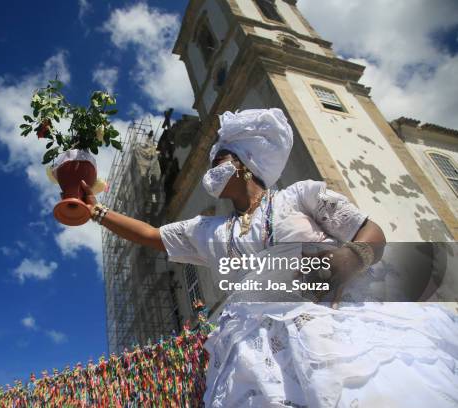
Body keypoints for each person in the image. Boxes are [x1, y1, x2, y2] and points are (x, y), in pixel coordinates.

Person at [80, 108, 458, 407]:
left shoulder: (300, 197)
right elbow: (151, 235)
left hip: (331, 326)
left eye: (220, 159)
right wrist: (96, 212)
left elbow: (371, 231)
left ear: (244, 163)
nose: (211, 169)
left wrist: (350, 258)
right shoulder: (208, 230)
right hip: (254, 352)